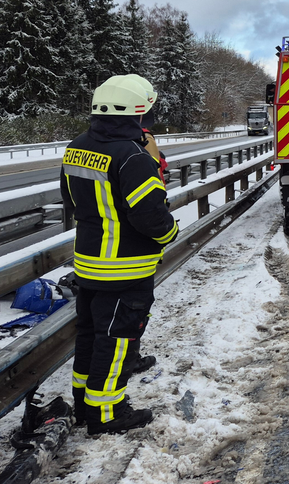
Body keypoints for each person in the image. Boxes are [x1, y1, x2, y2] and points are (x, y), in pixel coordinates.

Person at [61, 74, 179, 435]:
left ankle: (83, 404)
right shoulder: (132, 157)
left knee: (91, 335)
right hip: (124, 269)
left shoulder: (78, 146)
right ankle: (107, 414)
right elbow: (149, 215)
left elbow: (70, 200)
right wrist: (170, 233)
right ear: (136, 114)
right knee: (116, 342)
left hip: (89, 263)